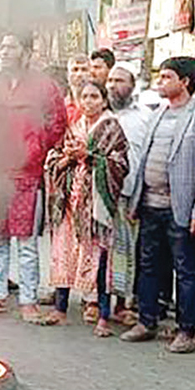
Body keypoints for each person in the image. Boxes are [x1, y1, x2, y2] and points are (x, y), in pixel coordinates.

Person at [120, 57, 195, 353]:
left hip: (183, 209)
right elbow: (143, 161)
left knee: (186, 270)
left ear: (185, 82)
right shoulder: (158, 113)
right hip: (150, 204)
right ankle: (146, 320)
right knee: (149, 266)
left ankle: (187, 330)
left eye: (167, 77)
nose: (161, 82)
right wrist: (136, 200)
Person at [0, 31, 67, 325]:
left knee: (26, 243)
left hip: (28, 173)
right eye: (2, 45)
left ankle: (28, 300)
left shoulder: (44, 87)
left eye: (10, 46)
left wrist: (35, 149)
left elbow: (57, 124)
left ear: (26, 51)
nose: (4, 51)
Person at [44, 80, 130, 328]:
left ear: (104, 100)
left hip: (96, 208)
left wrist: (89, 158)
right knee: (64, 254)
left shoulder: (111, 128)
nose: (88, 101)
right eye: (84, 97)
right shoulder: (74, 127)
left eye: (94, 96)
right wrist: (64, 161)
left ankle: (103, 315)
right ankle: (60, 309)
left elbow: (120, 163)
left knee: (98, 260)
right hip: (69, 205)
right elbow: (54, 157)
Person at [100, 65, 153, 327]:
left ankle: (122, 304)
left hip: (130, 195)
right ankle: (97, 305)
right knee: (100, 251)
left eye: (119, 80)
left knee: (125, 251)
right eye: (109, 80)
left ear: (132, 85)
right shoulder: (99, 114)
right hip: (99, 197)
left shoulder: (145, 117)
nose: (112, 85)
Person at [64, 54, 91, 124]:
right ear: (68, 74)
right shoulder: (62, 105)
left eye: (84, 70)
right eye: (75, 70)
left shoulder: (98, 104)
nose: (79, 74)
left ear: (91, 74)